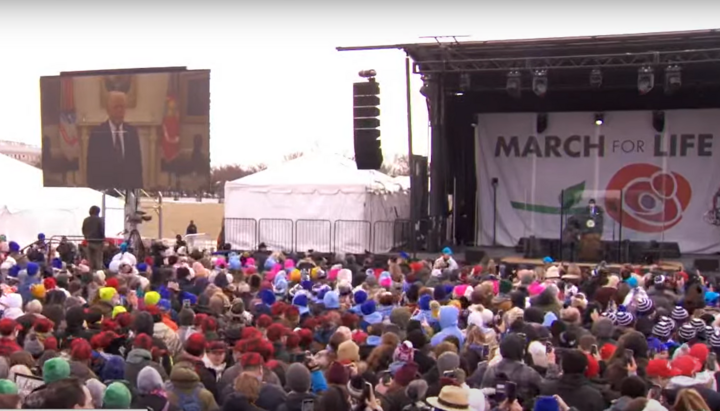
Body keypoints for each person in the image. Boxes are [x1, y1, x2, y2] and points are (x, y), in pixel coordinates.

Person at [86, 91, 143, 189]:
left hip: (128, 193)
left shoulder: (132, 132)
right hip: (105, 192)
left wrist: (137, 195)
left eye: (122, 107)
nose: (119, 110)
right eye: (116, 107)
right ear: (108, 110)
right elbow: (92, 170)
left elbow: (137, 168)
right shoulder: (97, 134)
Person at [82, 206, 105, 270]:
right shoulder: (100, 220)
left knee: (90, 260)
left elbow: (83, 230)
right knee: (98, 260)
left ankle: (90, 273)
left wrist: (86, 237)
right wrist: (103, 238)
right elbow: (102, 230)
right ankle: (98, 275)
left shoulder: (86, 220)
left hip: (89, 241)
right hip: (98, 242)